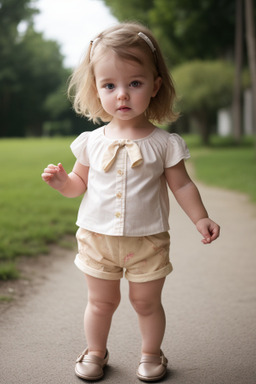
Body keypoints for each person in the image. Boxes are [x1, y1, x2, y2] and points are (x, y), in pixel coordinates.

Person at [41, 22, 220, 382]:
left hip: (148, 241)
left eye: (134, 83)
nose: (122, 95)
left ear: (155, 86)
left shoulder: (164, 143)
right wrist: (63, 183)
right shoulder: (90, 141)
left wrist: (200, 217)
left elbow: (182, 186)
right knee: (101, 303)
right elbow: (80, 185)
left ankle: (151, 354)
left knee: (146, 303)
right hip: (97, 239)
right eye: (110, 85)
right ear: (97, 89)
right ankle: (95, 352)